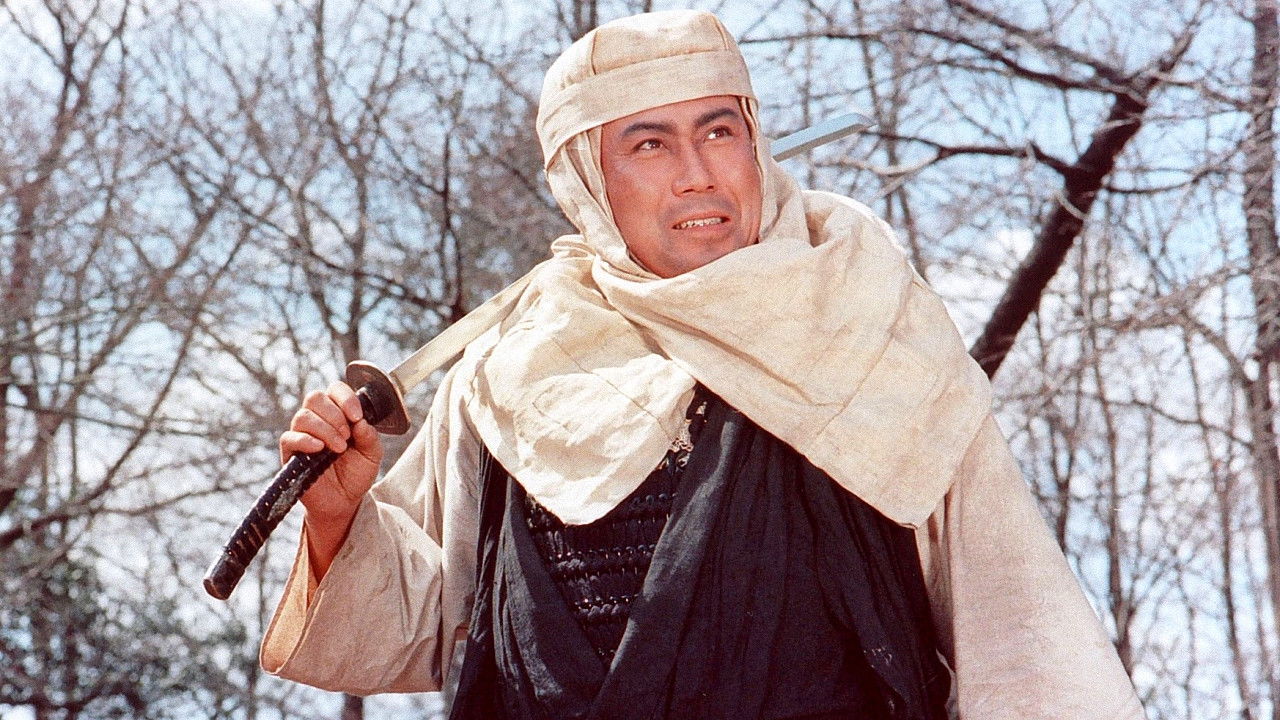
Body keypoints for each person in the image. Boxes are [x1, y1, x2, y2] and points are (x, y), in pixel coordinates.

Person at [260, 10, 1147, 720]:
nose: (698, 174)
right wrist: (338, 518)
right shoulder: (510, 364)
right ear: (586, 180)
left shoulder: (867, 315)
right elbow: (411, 626)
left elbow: (1017, 624)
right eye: (648, 144)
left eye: (719, 131)